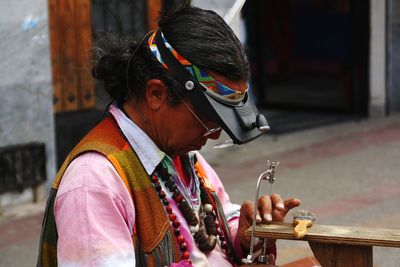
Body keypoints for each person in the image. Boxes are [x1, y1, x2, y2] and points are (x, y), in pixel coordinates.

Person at [37, 1, 300, 266]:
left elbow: (213, 228)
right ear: (156, 94)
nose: (214, 135)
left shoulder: (179, 152)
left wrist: (242, 236)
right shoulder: (94, 184)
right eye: (208, 121)